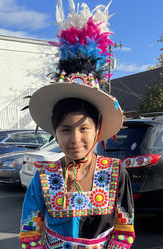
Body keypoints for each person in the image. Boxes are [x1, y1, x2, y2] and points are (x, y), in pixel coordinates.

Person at [19, 0, 135, 248]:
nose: (75, 139)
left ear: (98, 130)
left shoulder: (117, 173)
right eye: (65, 129)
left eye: (84, 128)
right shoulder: (43, 178)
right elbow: (30, 235)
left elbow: (124, 231)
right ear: (55, 133)